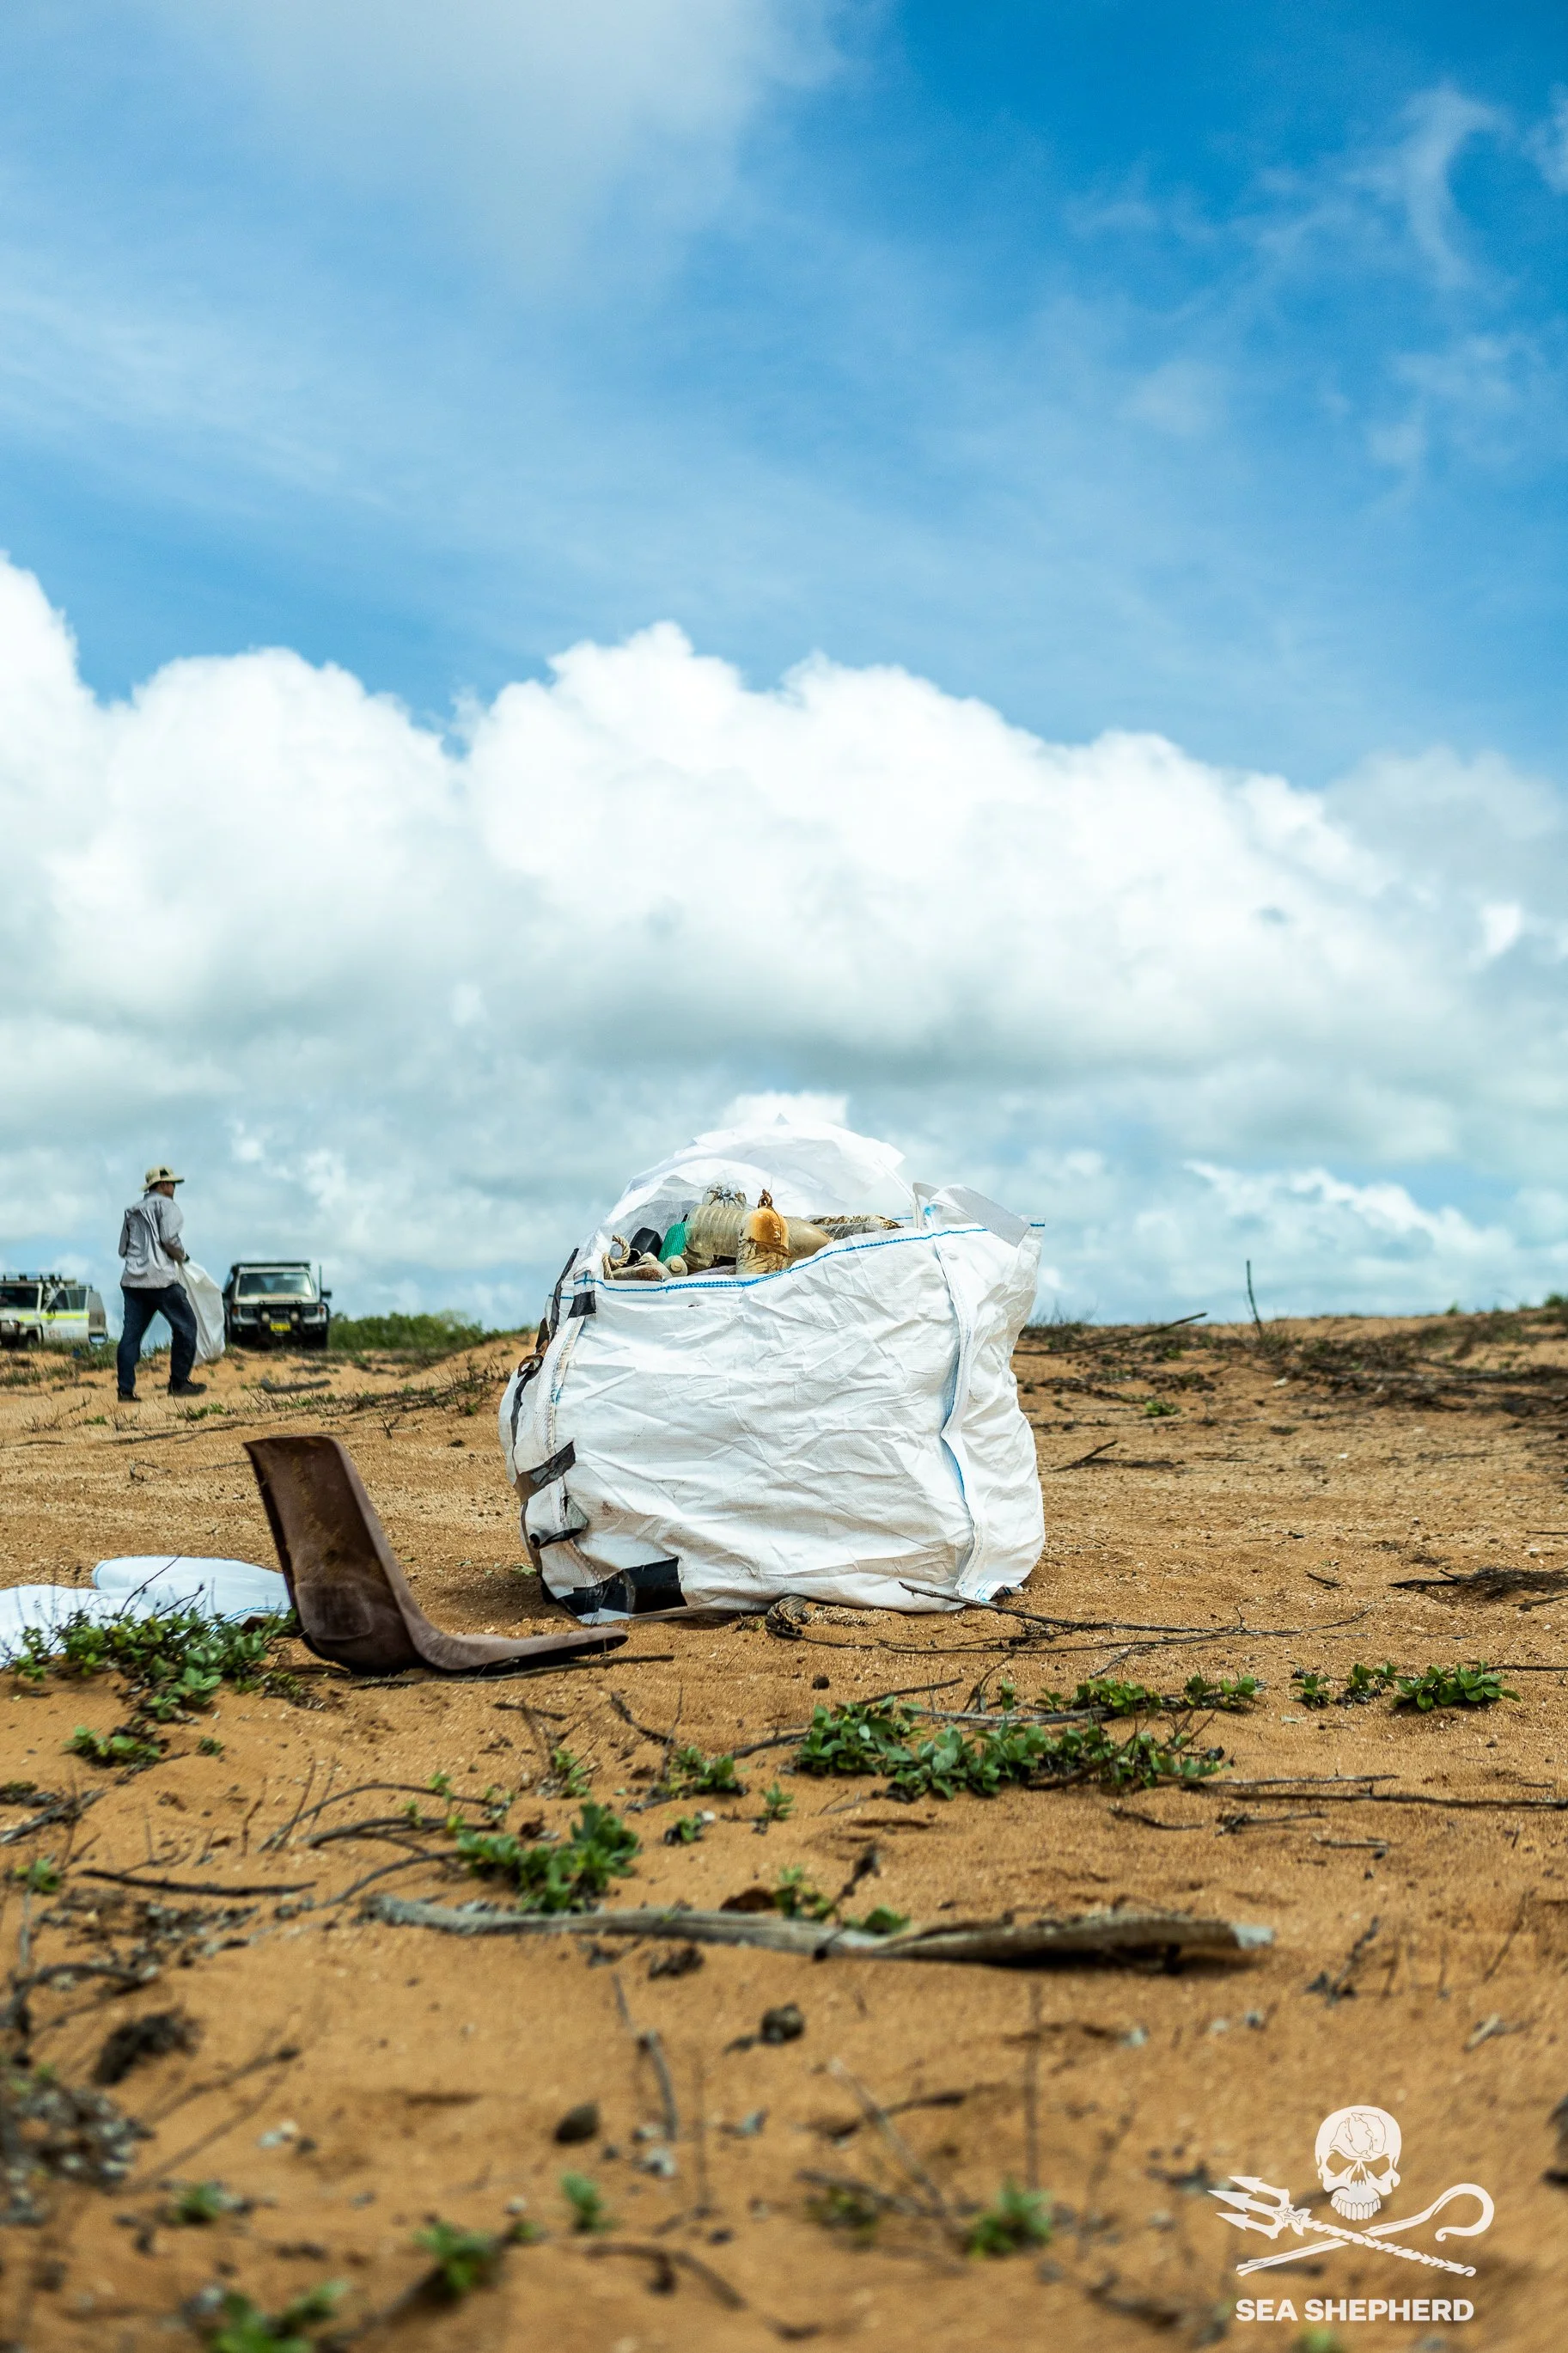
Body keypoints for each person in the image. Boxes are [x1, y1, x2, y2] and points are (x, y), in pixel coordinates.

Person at [116, 1164, 206, 1403]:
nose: (174, 1187)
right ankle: (178, 1383)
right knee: (186, 1327)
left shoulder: (132, 1210)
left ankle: (125, 1390)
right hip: (163, 1282)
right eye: (172, 1183)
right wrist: (182, 1257)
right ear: (163, 1185)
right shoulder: (169, 1207)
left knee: (131, 1336)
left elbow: (122, 1248)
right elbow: (169, 1238)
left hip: (133, 1282)